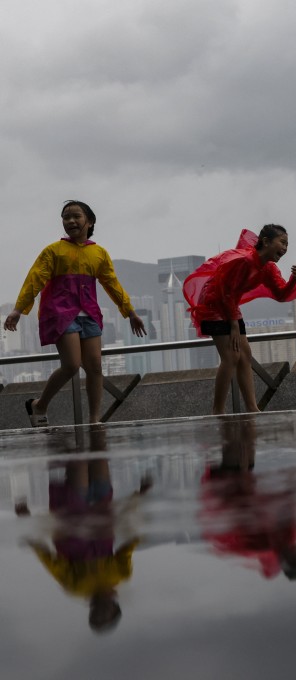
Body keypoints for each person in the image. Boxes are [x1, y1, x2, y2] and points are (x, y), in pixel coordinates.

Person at [4, 200, 147, 426]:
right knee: (71, 364)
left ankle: (94, 419)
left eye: (76, 216)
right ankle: (39, 404)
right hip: (60, 312)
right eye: (66, 217)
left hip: (89, 314)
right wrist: (18, 309)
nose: (70, 221)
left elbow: (112, 284)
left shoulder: (98, 253)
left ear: (89, 222)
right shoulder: (54, 251)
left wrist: (130, 312)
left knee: (95, 367)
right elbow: (35, 279)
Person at [19, 425, 150, 634]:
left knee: (77, 461)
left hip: (75, 513)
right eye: (104, 613)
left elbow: (50, 561)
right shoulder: (120, 575)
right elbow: (130, 541)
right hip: (101, 510)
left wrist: (27, 521)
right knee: (99, 453)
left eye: (95, 615)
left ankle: (52, 434)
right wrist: (138, 497)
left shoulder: (76, 587)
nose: (99, 609)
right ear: (115, 607)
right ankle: (87, 422)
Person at [183, 225, 296, 415]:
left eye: (287, 244)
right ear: (265, 241)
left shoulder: (268, 269)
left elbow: (280, 294)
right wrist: (233, 324)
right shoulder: (245, 261)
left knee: (245, 356)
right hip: (213, 303)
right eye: (282, 242)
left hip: (230, 306)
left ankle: (252, 407)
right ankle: (218, 411)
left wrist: (293, 280)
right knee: (231, 356)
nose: (285, 248)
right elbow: (225, 291)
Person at [198, 417, 296, 581]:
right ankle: (225, 416)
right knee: (242, 446)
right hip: (241, 483)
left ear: (284, 560)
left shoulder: (258, 545)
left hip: (229, 491)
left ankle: (219, 416)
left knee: (234, 448)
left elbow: (240, 513)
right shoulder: (291, 536)